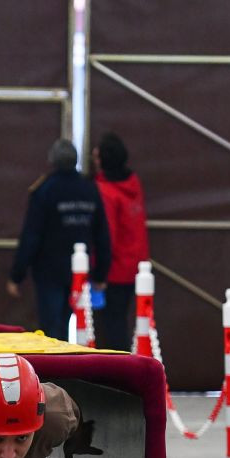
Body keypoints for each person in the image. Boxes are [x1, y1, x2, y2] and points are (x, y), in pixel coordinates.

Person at [6, 139, 111, 340]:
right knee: (66, 326)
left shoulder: (45, 190)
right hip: (78, 272)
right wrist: (100, 275)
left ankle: (53, 370)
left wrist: (17, 275)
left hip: (49, 271)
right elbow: (101, 234)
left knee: (50, 328)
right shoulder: (89, 189)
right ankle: (65, 369)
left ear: (52, 160)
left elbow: (31, 235)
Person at [91, 131, 149, 352]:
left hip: (114, 270)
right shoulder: (133, 184)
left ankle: (118, 375)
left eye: (97, 158)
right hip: (135, 265)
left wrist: (99, 272)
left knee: (112, 326)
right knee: (121, 321)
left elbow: (107, 235)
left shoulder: (106, 192)